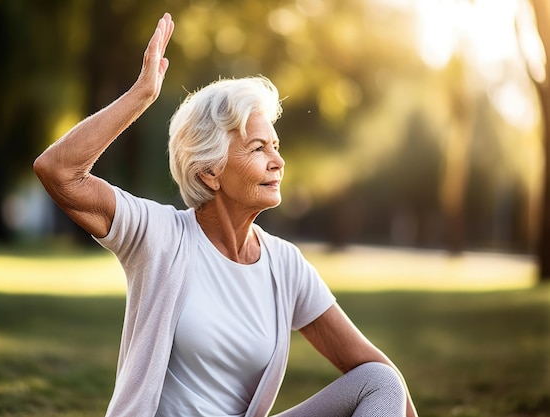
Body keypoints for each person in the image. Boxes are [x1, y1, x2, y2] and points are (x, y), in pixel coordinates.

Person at [34, 12, 419, 417]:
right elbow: (58, 171)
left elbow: (370, 366)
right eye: (258, 148)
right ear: (210, 172)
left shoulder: (284, 266)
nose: (278, 161)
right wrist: (141, 96)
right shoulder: (160, 236)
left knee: (380, 381)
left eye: (275, 145)